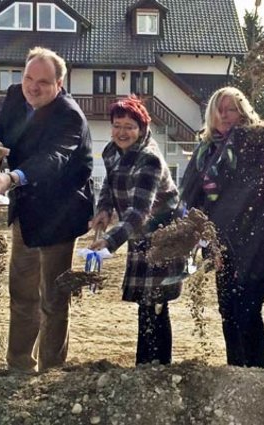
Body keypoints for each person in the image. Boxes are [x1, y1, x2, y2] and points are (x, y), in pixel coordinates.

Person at [0, 46, 94, 373]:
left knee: (53, 299)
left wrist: (12, 176)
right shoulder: (16, 96)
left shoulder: (69, 116)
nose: (32, 86)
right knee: (22, 292)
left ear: (59, 85)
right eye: (29, 77)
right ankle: (18, 368)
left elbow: (53, 159)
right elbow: (0, 130)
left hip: (60, 213)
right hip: (26, 213)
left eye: (43, 82)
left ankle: (50, 372)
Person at [179, 87, 264, 368]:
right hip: (223, 245)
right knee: (228, 311)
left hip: (259, 244)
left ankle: (256, 374)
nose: (224, 114)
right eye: (218, 109)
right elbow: (191, 196)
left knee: (247, 309)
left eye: (231, 108)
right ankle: (235, 369)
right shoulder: (204, 151)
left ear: (243, 113)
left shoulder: (255, 143)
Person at [88, 96, 185, 365]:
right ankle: (145, 366)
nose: (122, 132)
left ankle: (157, 367)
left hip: (162, 239)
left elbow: (140, 211)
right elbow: (109, 183)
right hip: (139, 236)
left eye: (129, 126)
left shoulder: (149, 160)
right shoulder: (112, 151)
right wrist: (104, 209)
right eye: (117, 125)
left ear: (141, 129)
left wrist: (109, 240)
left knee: (155, 304)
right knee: (145, 304)